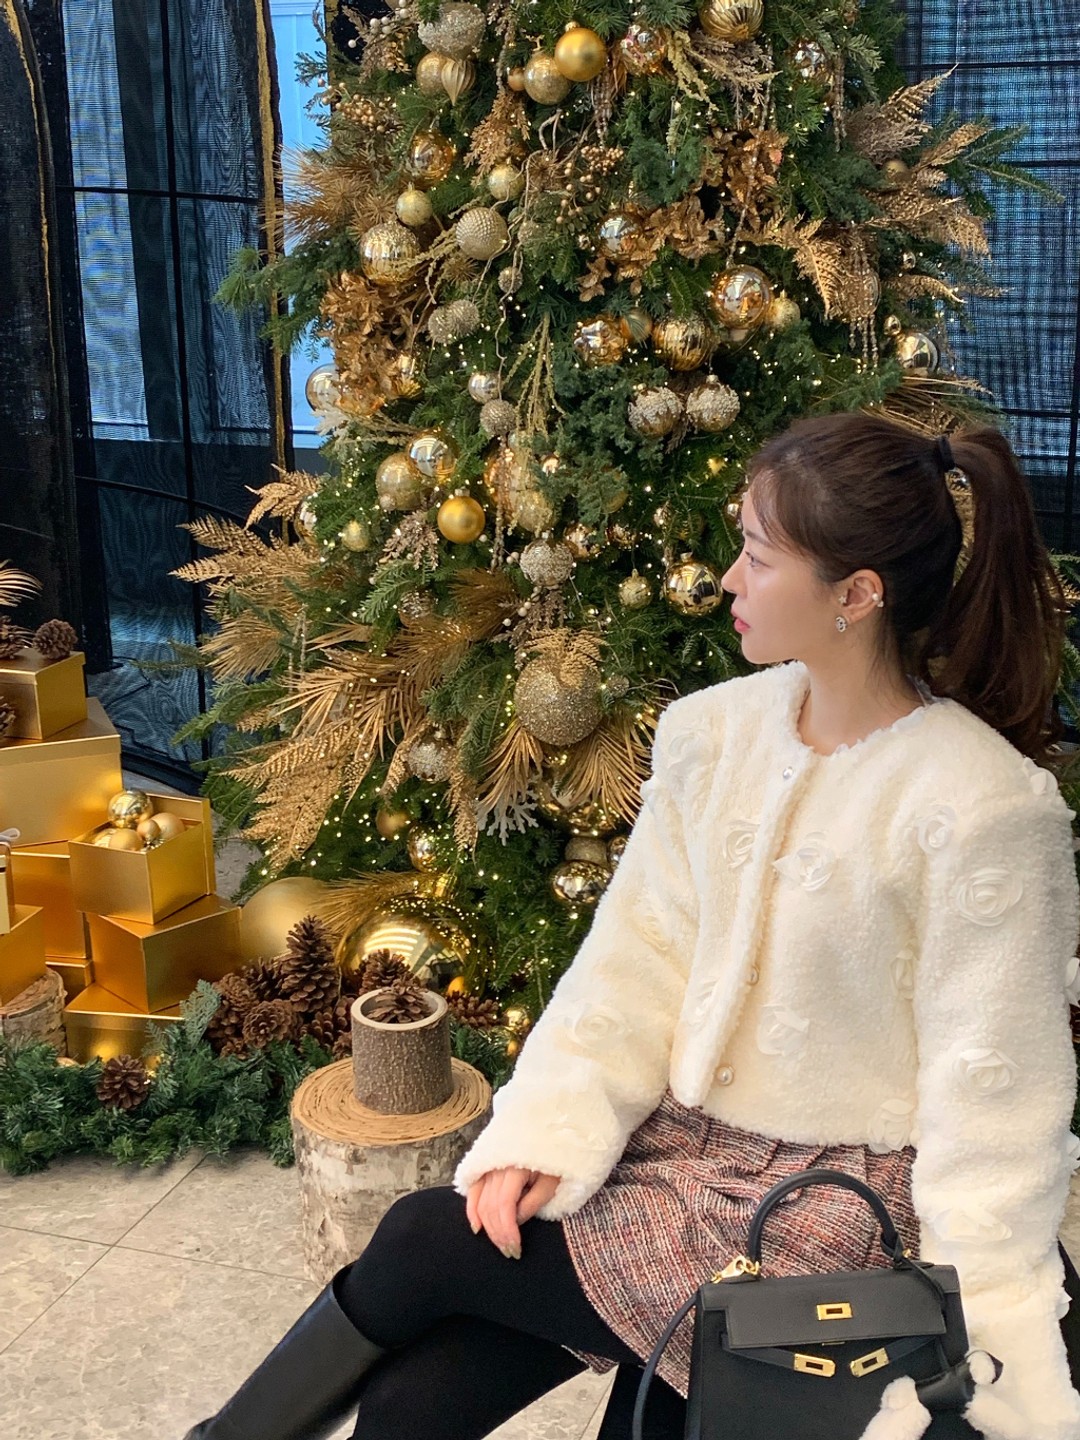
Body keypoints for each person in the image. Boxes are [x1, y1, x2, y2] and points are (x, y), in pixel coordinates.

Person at [183, 412, 1080, 1440]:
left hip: (834, 1209)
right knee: (410, 1400)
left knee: (431, 1251)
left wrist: (992, 1334)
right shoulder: (716, 734)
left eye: (757, 556)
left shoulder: (982, 808)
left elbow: (995, 1092)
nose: (729, 579)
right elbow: (635, 960)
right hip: (678, 1156)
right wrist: (549, 1127)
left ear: (857, 594)